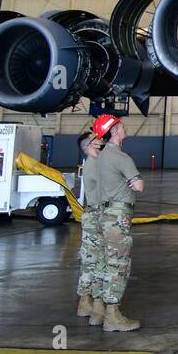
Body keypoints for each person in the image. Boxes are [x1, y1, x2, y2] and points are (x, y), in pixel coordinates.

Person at [91, 114, 144, 331]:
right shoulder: (122, 158)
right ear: (116, 131)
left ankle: (98, 311)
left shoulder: (101, 157)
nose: (124, 127)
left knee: (104, 263)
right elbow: (138, 186)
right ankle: (113, 316)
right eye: (121, 125)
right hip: (118, 218)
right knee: (119, 265)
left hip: (103, 216)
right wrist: (135, 182)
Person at [75, 129, 107, 325]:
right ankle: (97, 305)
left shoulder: (91, 163)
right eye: (97, 140)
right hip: (99, 214)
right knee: (100, 260)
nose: (101, 141)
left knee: (88, 259)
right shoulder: (96, 164)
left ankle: (84, 302)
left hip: (90, 214)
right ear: (89, 146)